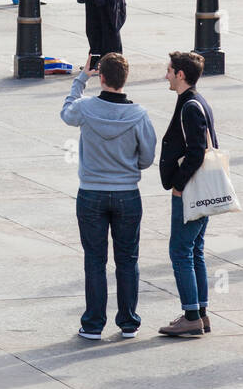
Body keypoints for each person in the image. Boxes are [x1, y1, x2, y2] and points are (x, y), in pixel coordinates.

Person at [60, 53, 157, 340]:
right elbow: (148, 157)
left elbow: (66, 112)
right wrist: (128, 166)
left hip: (91, 192)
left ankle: (93, 323)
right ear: (125, 79)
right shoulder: (139, 114)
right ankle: (128, 322)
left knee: (95, 259)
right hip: (127, 193)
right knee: (127, 259)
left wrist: (80, 79)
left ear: (101, 77)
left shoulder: (86, 108)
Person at [158, 51, 215, 338]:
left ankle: (191, 315)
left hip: (191, 191)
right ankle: (200, 314)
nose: (166, 75)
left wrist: (179, 184)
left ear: (180, 74)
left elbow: (197, 152)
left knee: (180, 251)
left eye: (169, 70)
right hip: (202, 191)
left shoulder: (190, 106)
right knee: (195, 251)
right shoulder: (197, 101)